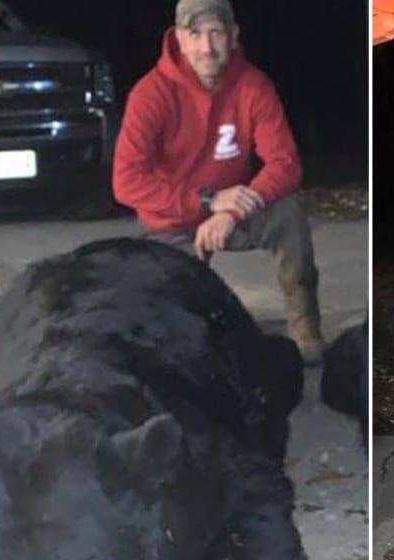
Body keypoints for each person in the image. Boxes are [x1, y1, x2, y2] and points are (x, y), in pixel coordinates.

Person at [112, 0, 325, 363]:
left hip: (232, 212)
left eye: (216, 33)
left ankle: (305, 325)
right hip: (173, 221)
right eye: (195, 34)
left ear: (233, 36)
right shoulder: (150, 94)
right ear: (179, 38)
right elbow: (126, 181)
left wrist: (231, 211)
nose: (207, 47)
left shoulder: (253, 85)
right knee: (174, 333)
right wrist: (207, 200)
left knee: (288, 210)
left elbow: (285, 163)